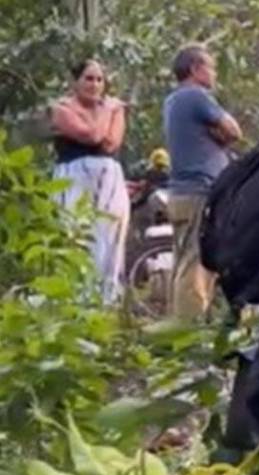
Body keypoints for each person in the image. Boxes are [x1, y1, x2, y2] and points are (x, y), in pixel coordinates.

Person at [163, 44, 243, 319]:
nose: (214, 74)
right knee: (196, 265)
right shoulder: (196, 97)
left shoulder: (174, 101)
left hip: (182, 193)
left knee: (186, 262)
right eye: (211, 68)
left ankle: (182, 324)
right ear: (196, 69)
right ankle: (190, 331)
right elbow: (234, 131)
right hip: (198, 190)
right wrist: (220, 134)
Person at [50, 59, 130, 305]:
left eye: (99, 79)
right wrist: (107, 110)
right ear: (75, 82)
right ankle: (74, 303)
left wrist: (108, 113)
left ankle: (107, 303)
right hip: (73, 177)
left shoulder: (117, 109)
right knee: (75, 235)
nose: (94, 84)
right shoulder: (61, 108)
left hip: (109, 179)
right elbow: (92, 136)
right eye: (88, 78)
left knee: (109, 237)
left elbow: (110, 143)